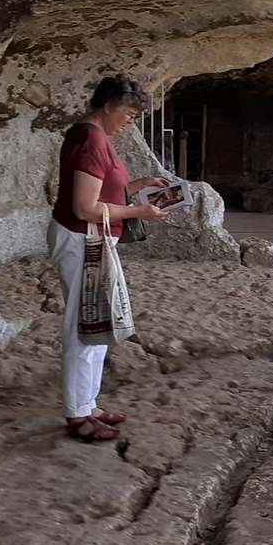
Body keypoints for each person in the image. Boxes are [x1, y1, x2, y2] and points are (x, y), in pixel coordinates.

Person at [47, 75, 170, 443]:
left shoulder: (92, 136)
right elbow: (84, 207)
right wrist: (138, 213)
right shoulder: (90, 140)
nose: (130, 121)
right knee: (84, 327)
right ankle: (77, 413)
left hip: (90, 239)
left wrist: (137, 186)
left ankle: (88, 403)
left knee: (96, 325)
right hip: (83, 238)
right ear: (107, 105)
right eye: (128, 113)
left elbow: (102, 189)